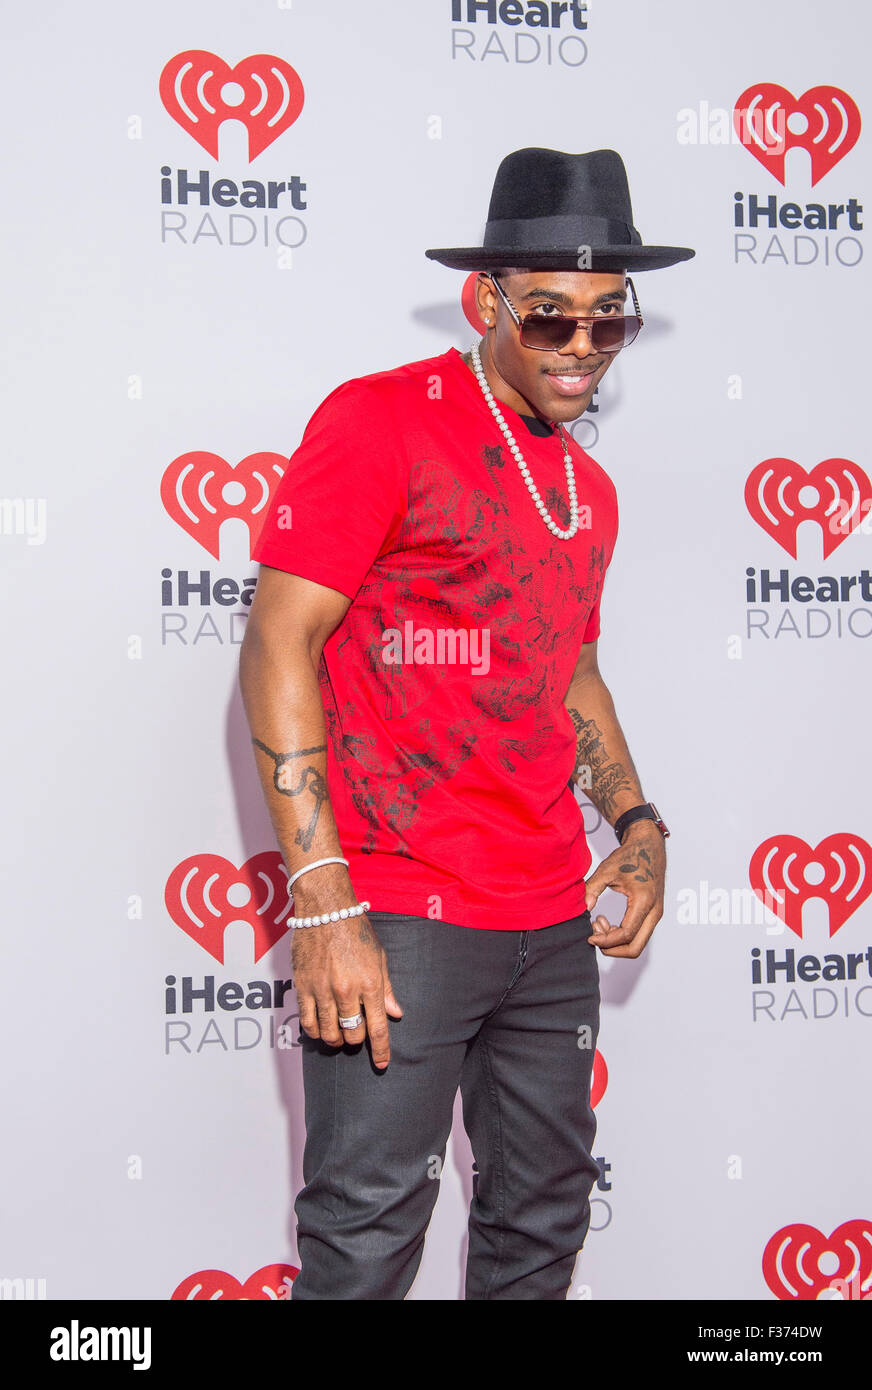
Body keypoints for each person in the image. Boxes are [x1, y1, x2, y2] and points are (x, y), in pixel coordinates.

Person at [238, 146, 694, 1300]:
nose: (581, 348)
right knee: (366, 1231)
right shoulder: (383, 419)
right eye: (549, 319)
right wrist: (323, 894)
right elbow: (278, 641)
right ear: (483, 301)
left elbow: (570, 673)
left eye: (608, 322)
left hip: (548, 917)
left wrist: (635, 823)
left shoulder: (585, 491)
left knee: (541, 1224)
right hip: (399, 912)